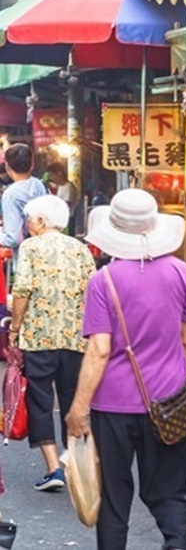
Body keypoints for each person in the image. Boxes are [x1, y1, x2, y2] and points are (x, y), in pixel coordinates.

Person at [66, 189, 186, 550]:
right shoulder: (182, 273)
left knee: (113, 497)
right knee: (169, 490)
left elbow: (99, 350)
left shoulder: (102, 281)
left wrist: (78, 409)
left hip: (113, 406)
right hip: (168, 401)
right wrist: (182, 383)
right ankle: (176, 543)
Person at [8, 195, 96, 491]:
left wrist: (15, 329)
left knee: (40, 401)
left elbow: (22, 290)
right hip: (75, 339)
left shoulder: (31, 247)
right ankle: (75, 463)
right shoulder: (81, 249)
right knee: (73, 400)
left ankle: (54, 469)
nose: (27, 225)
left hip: (39, 338)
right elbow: (93, 292)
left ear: (42, 221)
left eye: (30, 219)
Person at [1, 144, 48, 265]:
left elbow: (14, 239)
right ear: (32, 164)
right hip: (46, 253)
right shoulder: (39, 185)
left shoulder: (10, 195)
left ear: (7, 166)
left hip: (26, 260)